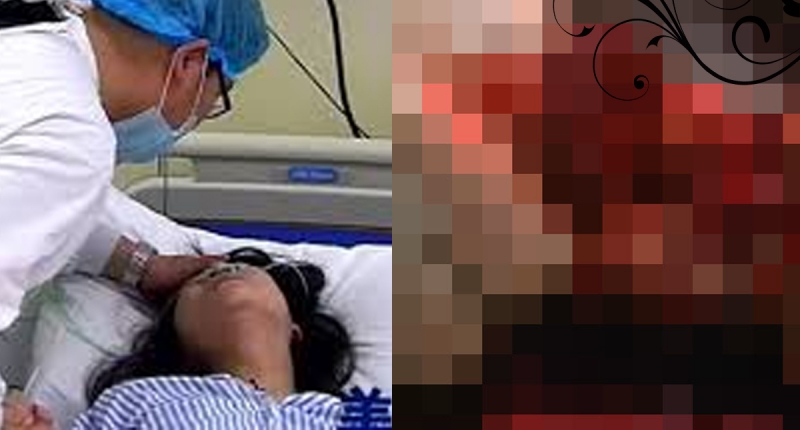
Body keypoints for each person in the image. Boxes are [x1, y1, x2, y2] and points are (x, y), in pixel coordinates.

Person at [0, 0, 270, 419]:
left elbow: (25, 202)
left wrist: (140, 266)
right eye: (216, 98)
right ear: (191, 63)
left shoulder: (29, 39)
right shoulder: (70, 137)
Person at [2, 247, 356, 429]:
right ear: (177, 334)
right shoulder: (137, 399)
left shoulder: (345, 417)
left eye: (246, 271)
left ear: (294, 332)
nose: (224, 272)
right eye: (201, 280)